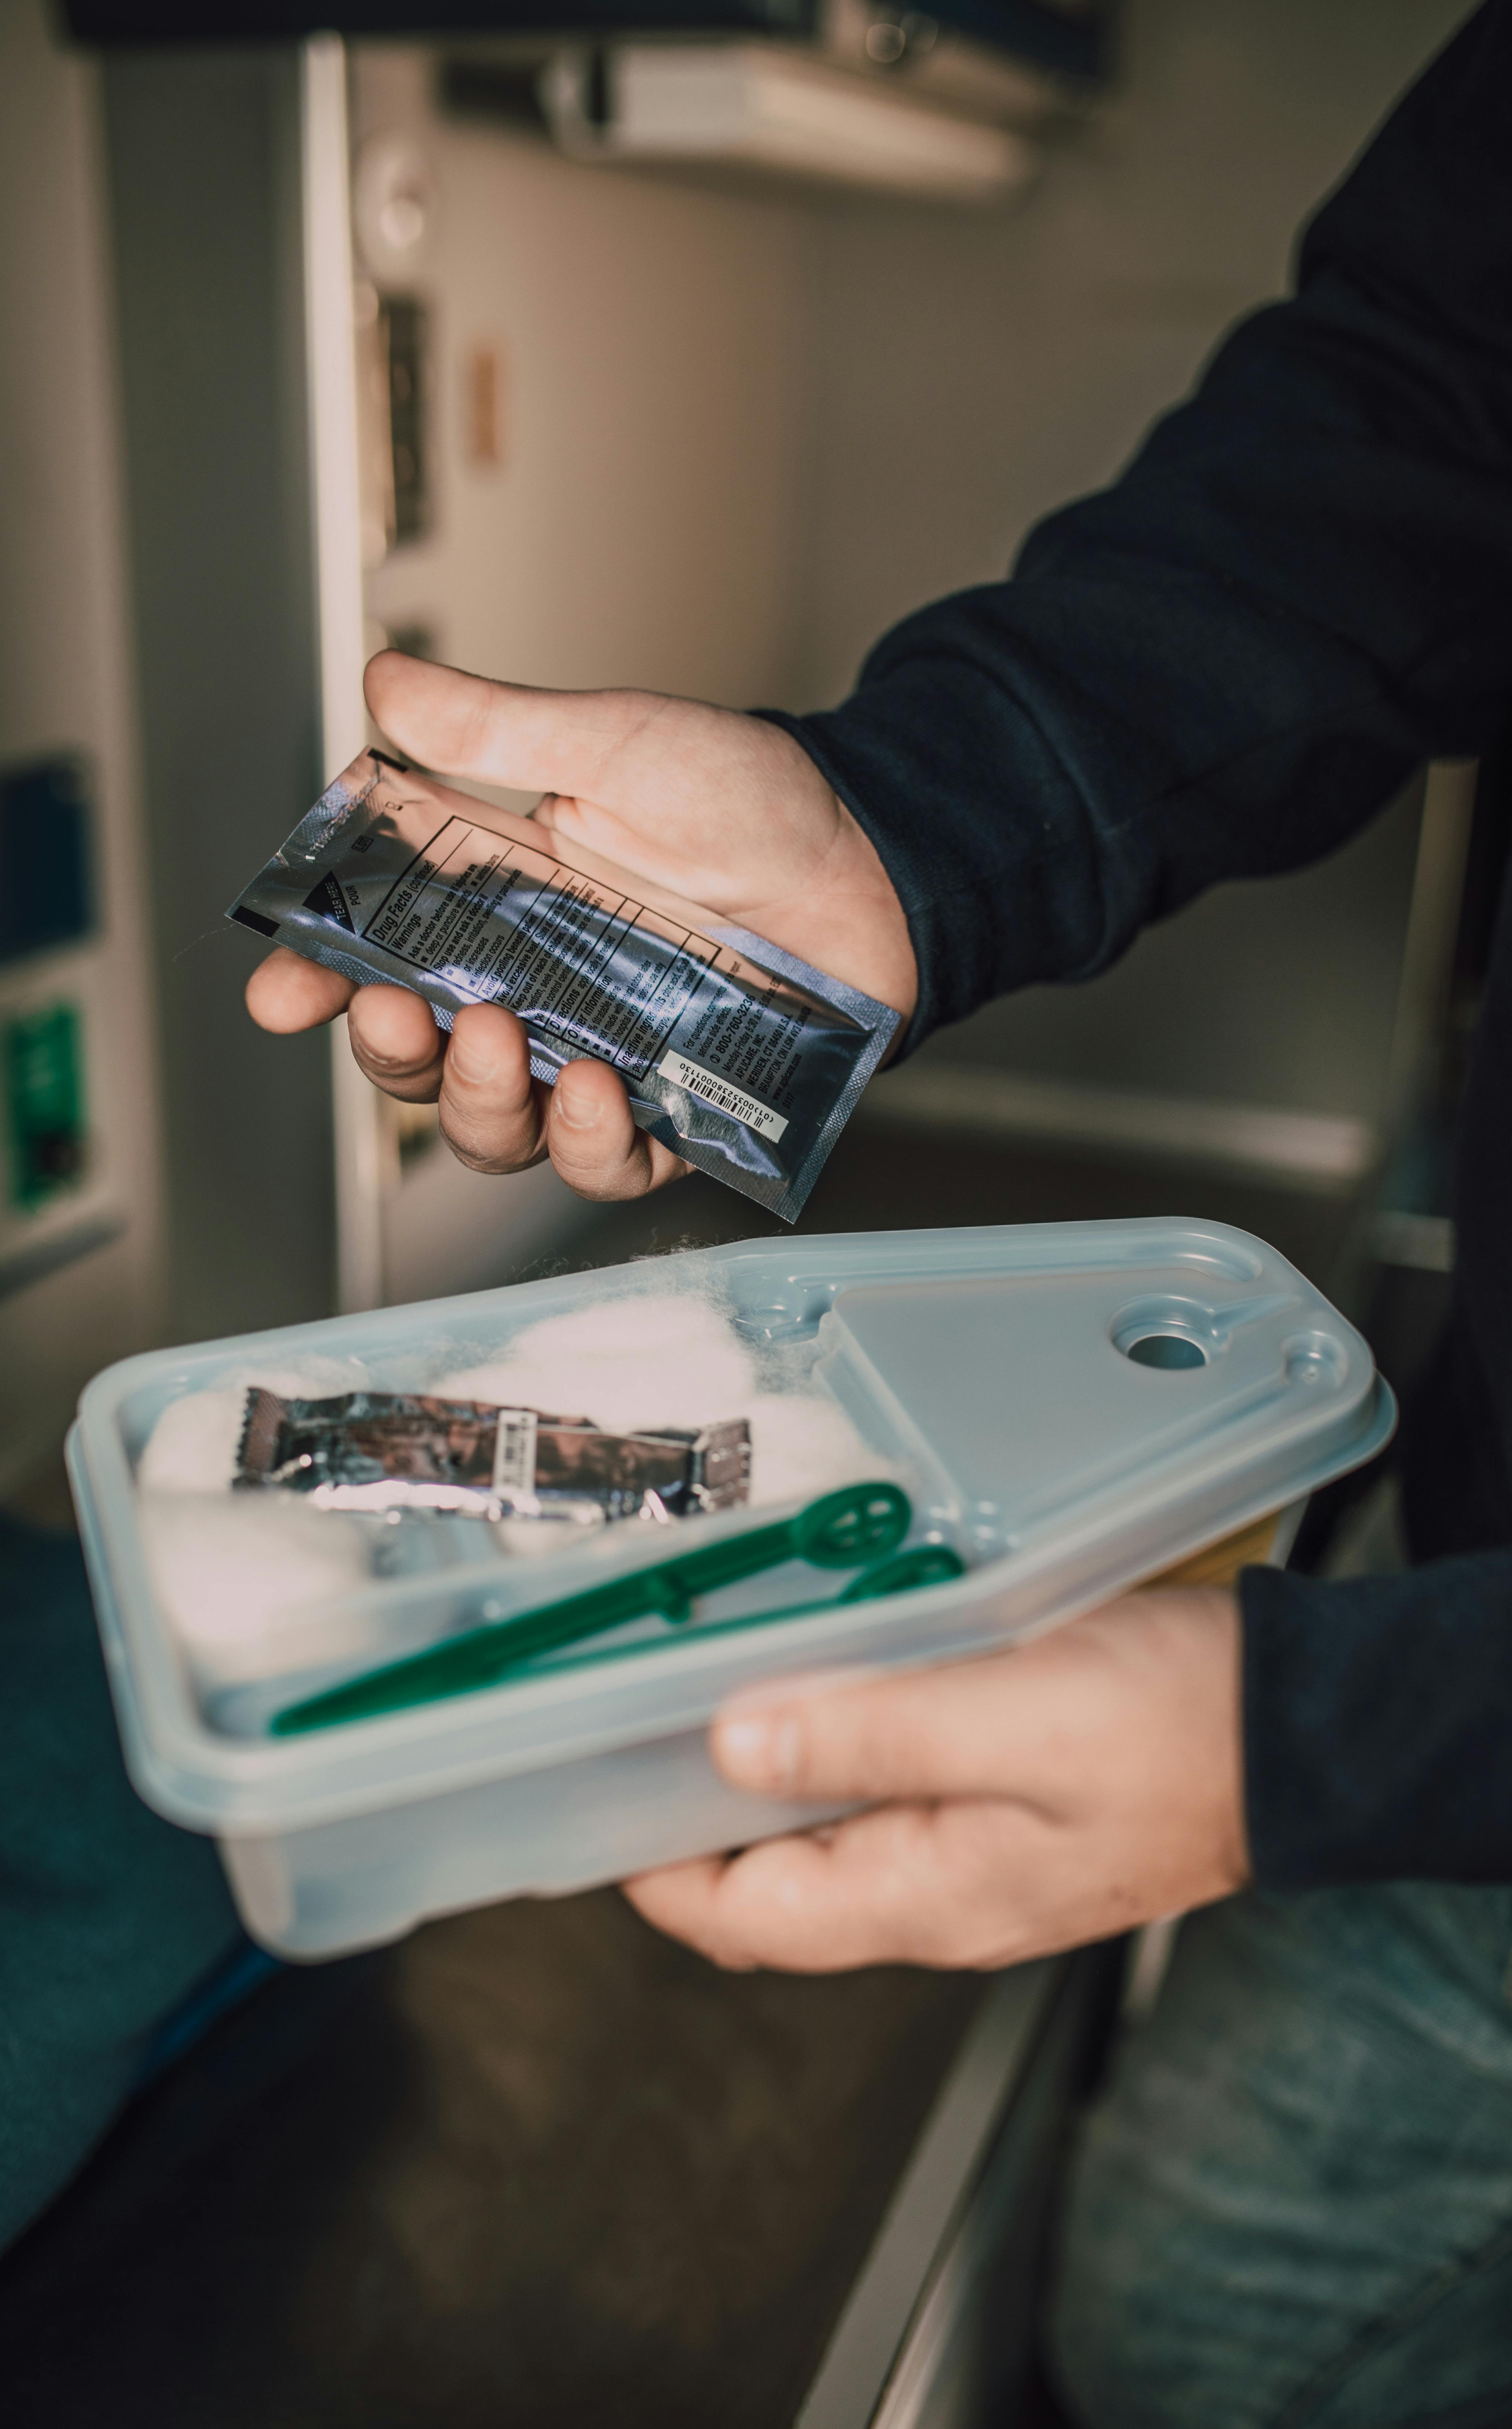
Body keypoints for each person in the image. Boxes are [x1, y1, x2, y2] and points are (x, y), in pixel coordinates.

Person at [250, 7, 1512, 2421]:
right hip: (1464, 1601)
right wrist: (903, 833)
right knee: (1196, 2316)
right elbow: (1433, 415)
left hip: (1429, 1716)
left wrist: (1327, 1747)